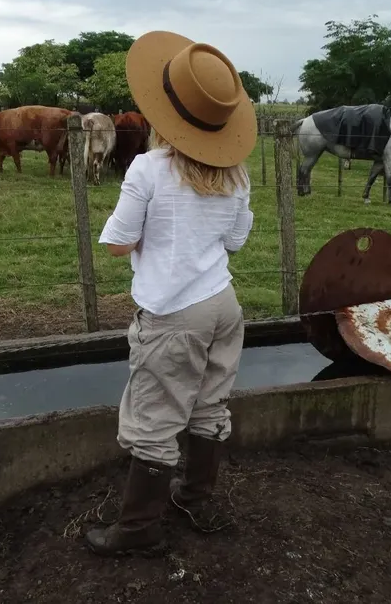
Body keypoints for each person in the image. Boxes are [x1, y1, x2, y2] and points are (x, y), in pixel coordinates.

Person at [86, 31, 257, 556]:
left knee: (155, 417)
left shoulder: (148, 168)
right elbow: (236, 240)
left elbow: (117, 243)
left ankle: (138, 531)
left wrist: (148, 237)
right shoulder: (238, 172)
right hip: (223, 305)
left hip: (173, 312)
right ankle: (197, 499)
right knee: (209, 405)